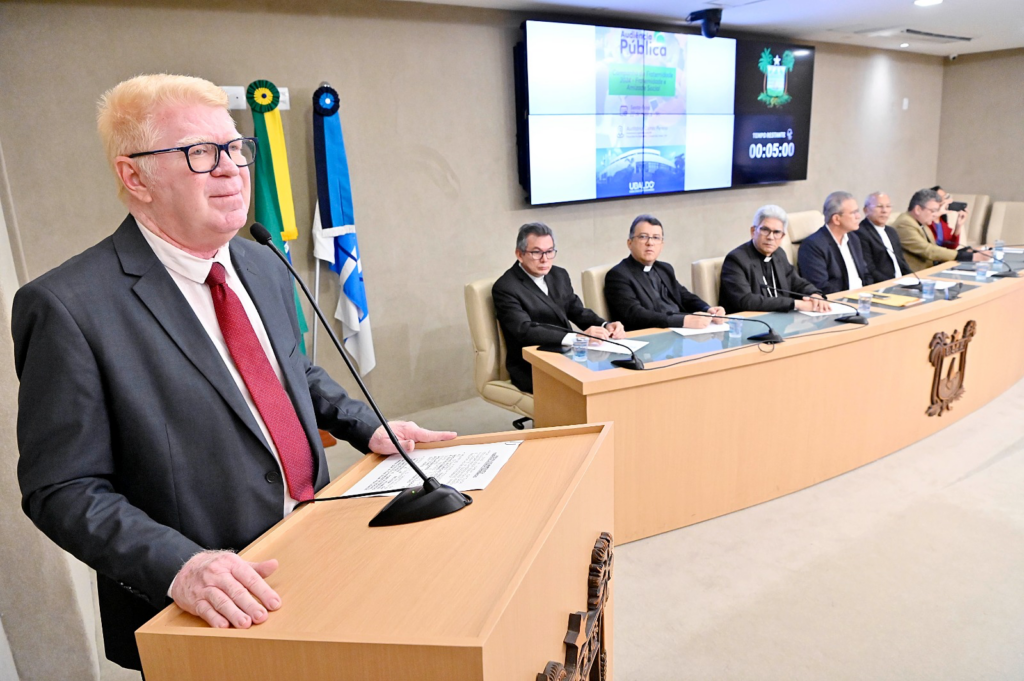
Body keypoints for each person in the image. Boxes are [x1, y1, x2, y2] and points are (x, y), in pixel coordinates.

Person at [12, 74, 455, 672]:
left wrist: (365, 426)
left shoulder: (262, 259)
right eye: (199, 152)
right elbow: (61, 489)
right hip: (205, 604)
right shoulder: (68, 306)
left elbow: (289, 370)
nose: (230, 168)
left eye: (234, 148)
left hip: (314, 548)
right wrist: (180, 566)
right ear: (134, 176)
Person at [492, 222, 625, 393]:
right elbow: (524, 330)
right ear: (519, 254)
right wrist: (578, 337)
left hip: (570, 357)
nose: (545, 259)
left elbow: (577, 310)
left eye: (549, 251)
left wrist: (605, 325)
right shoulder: (506, 287)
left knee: (615, 374)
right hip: (533, 365)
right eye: (536, 252)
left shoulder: (559, 274)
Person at [604, 214, 725, 331]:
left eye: (656, 238)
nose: (650, 243)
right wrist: (684, 321)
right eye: (643, 237)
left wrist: (708, 309)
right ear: (629, 243)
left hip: (680, 333)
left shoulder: (665, 268)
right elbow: (635, 315)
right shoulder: (618, 275)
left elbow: (685, 296)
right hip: (651, 336)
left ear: (662, 245)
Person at [719, 205, 831, 314]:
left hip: (780, 319)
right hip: (748, 323)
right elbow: (746, 300)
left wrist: (814, 294)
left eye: (777, 232)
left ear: (782, 236)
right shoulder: (736, 260)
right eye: (765, 230)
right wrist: (795, 304)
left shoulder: (779, 254)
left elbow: (797, 283)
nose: (770, 237)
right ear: (753, 231)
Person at [797, 191, 874, 294]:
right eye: (853, 213)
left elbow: (865, 274)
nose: (858, 216)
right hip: (839, 302)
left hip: (863, 298)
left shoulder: (853, 238)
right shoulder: (812, 246)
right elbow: (820, 287)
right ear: (836, 219)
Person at [893, 188, 987, 272]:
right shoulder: (904, 224)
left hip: (930, 271)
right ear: (918, 209)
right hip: (916, 276)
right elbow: (928, 250)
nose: (935, 214)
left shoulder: (920, 221)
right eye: (933, 211)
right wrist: (969, 257)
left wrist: (964, 252)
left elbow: (940, 247)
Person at [858, 192, 912, 282]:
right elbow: (869, 269)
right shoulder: (860, 233)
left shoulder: (891, 232)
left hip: (902, 283)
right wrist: (893, 283)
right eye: (879, 206)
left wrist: (914, 280)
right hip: (884, 285)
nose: (884, 211)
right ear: (866, 210)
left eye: (888, 206)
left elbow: (902, 262)